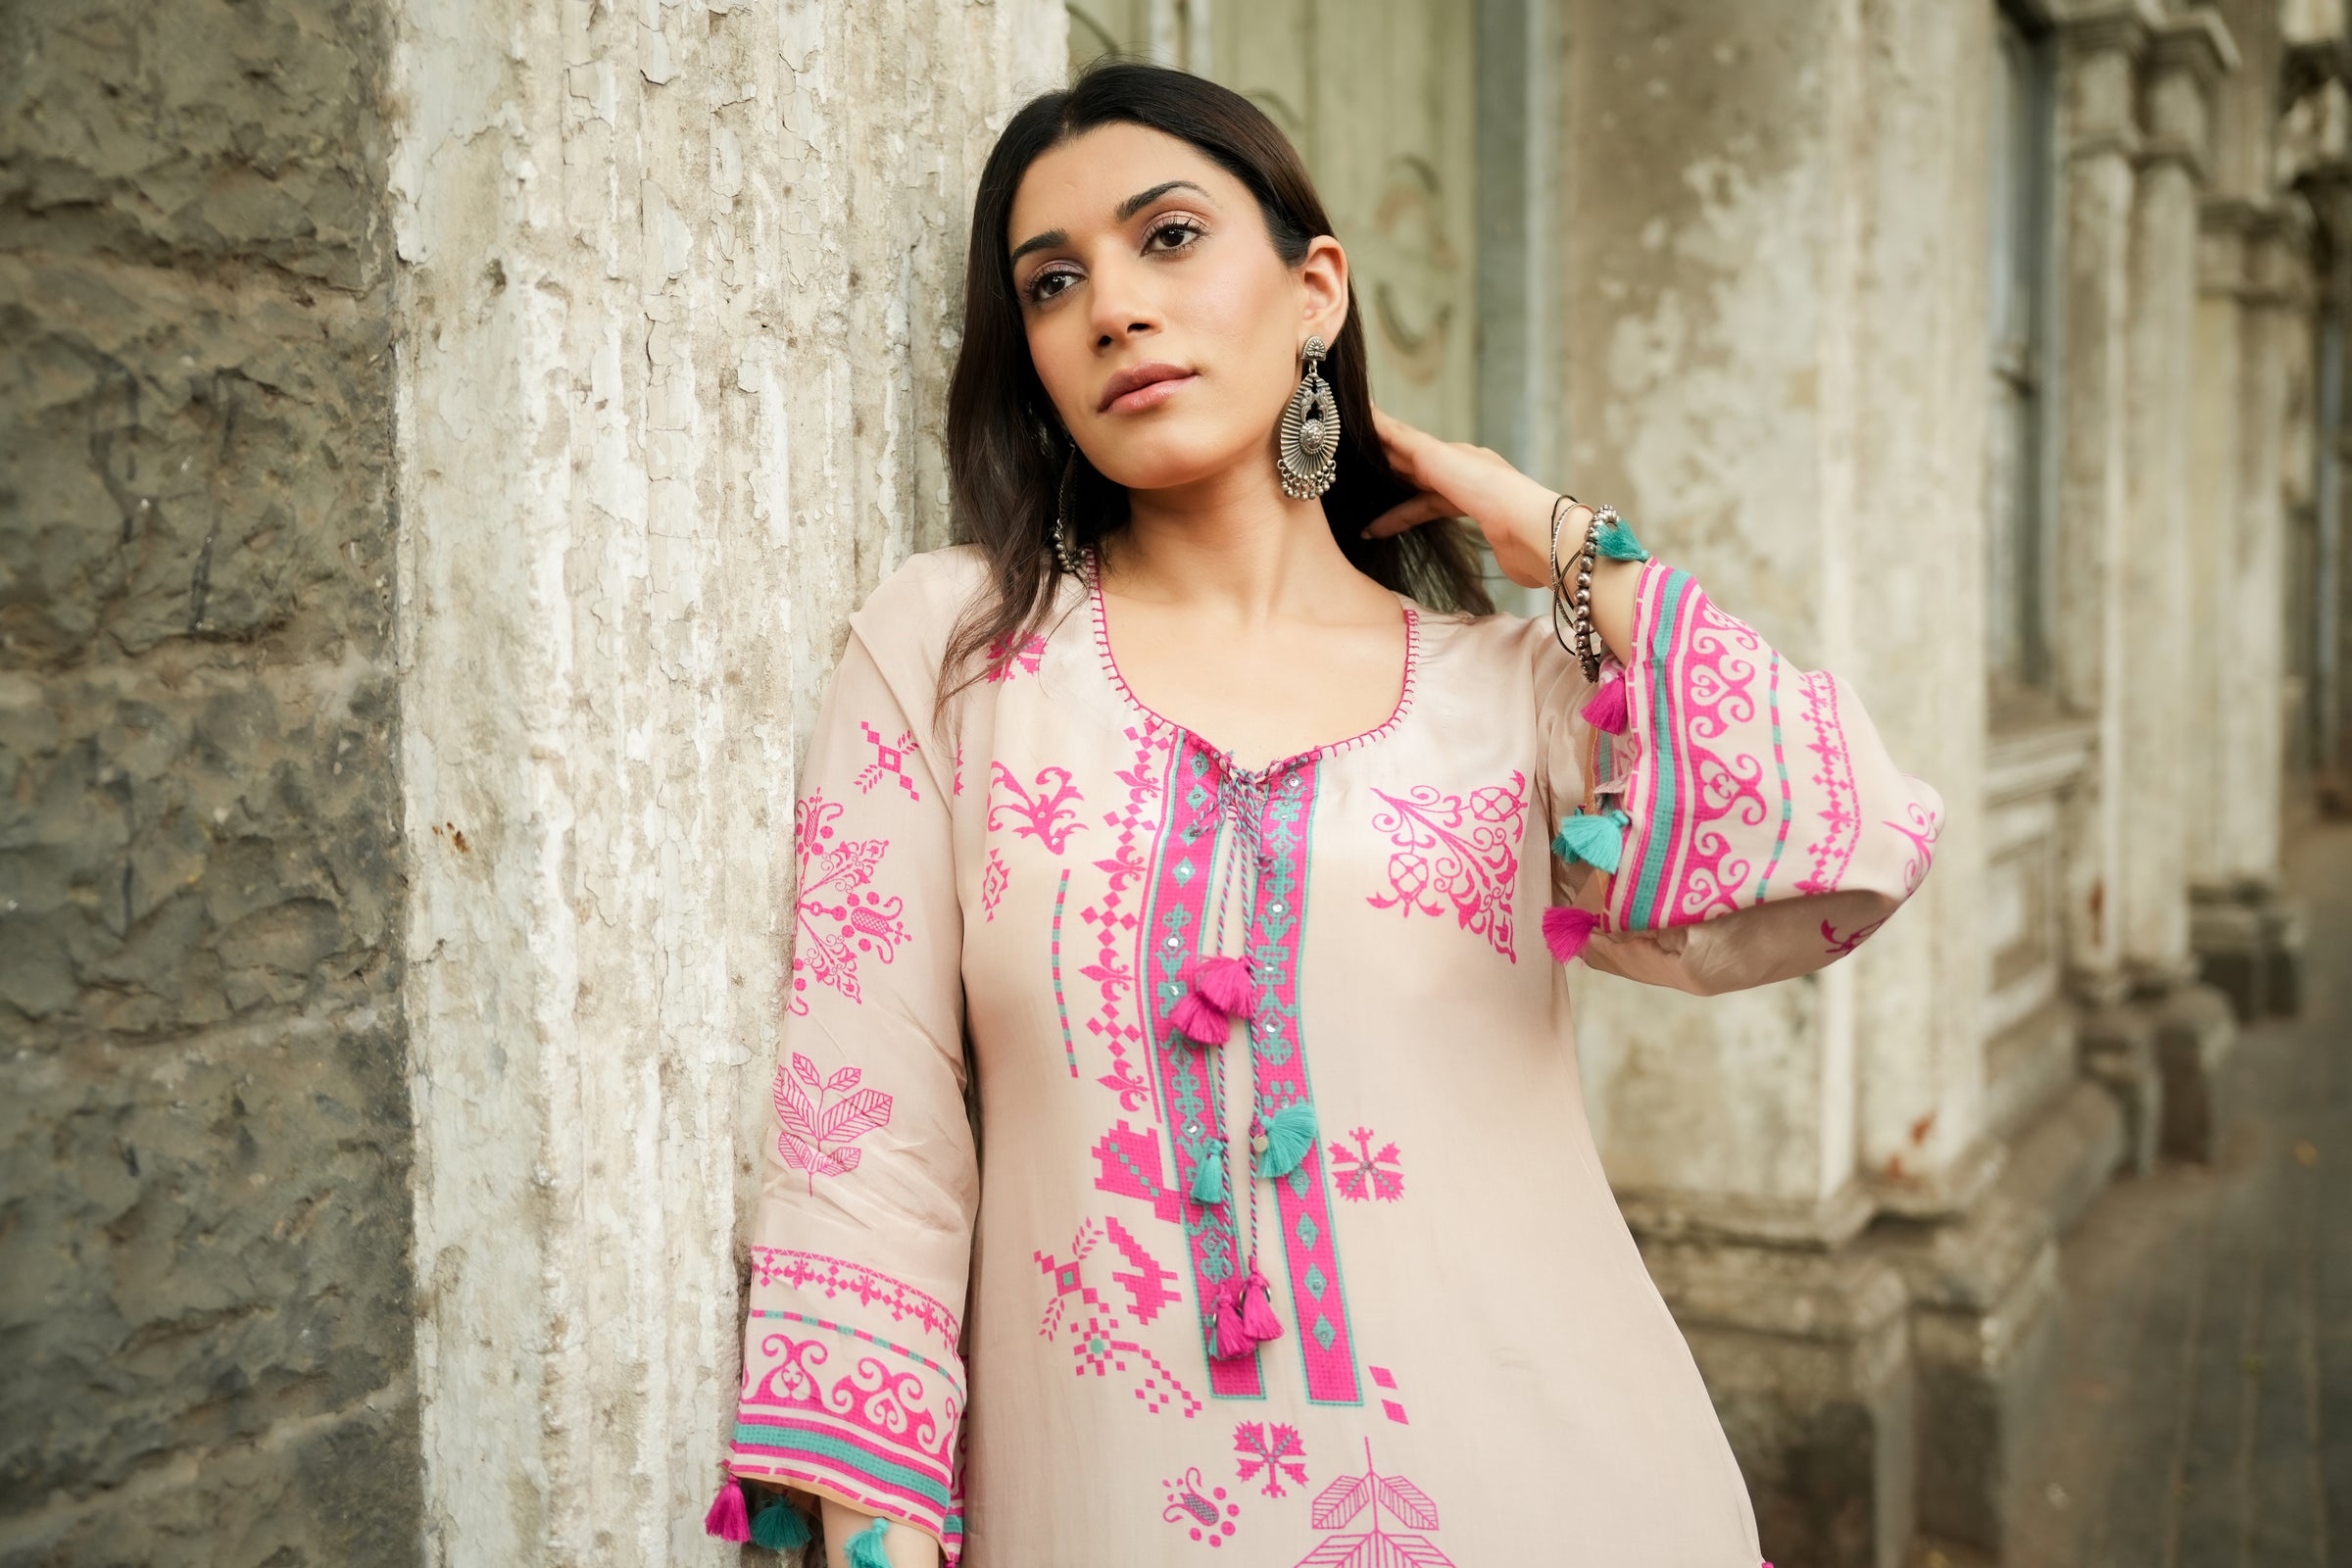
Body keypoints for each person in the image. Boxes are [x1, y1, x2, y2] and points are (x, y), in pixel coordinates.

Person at [702, 59, 1938, 1568]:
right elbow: (864, 1135)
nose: (1112, 309)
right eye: (1051, 283)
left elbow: (1844, 844)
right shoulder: (960, 654)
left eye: (1169, 238)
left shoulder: (1515, 699)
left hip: (1561, 1497)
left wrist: (1557, 536)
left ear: (1316, 291)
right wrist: (870, 1532)